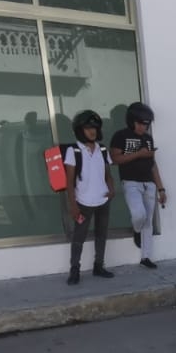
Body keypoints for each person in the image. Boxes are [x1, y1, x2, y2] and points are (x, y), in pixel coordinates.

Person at [110, 102, 166, 269]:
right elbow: (114, 160)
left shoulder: (148, 139)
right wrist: (138, 154)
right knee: (139, 215)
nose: (144, 127)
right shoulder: (120, 136)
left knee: (148, 221)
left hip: (149, 183)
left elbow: (152, 164)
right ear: (132, 121)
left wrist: (161, 188)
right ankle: (136, 230)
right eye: (141, 123)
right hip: (131, 182)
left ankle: (146, 257)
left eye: (147, 124)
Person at [64, 109, 115, 285]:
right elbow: (69, 182)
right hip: (83, 201)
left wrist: (111, 188)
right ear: (80, 130)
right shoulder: (74, 151)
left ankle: (99, 266)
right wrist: (73, 205)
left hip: (102, 200)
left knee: (102, 235)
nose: (92, 131)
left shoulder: (102, 149)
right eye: (87, 128)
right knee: (79, 238)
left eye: (94, 127)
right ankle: (74, 270)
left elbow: (107, 172)